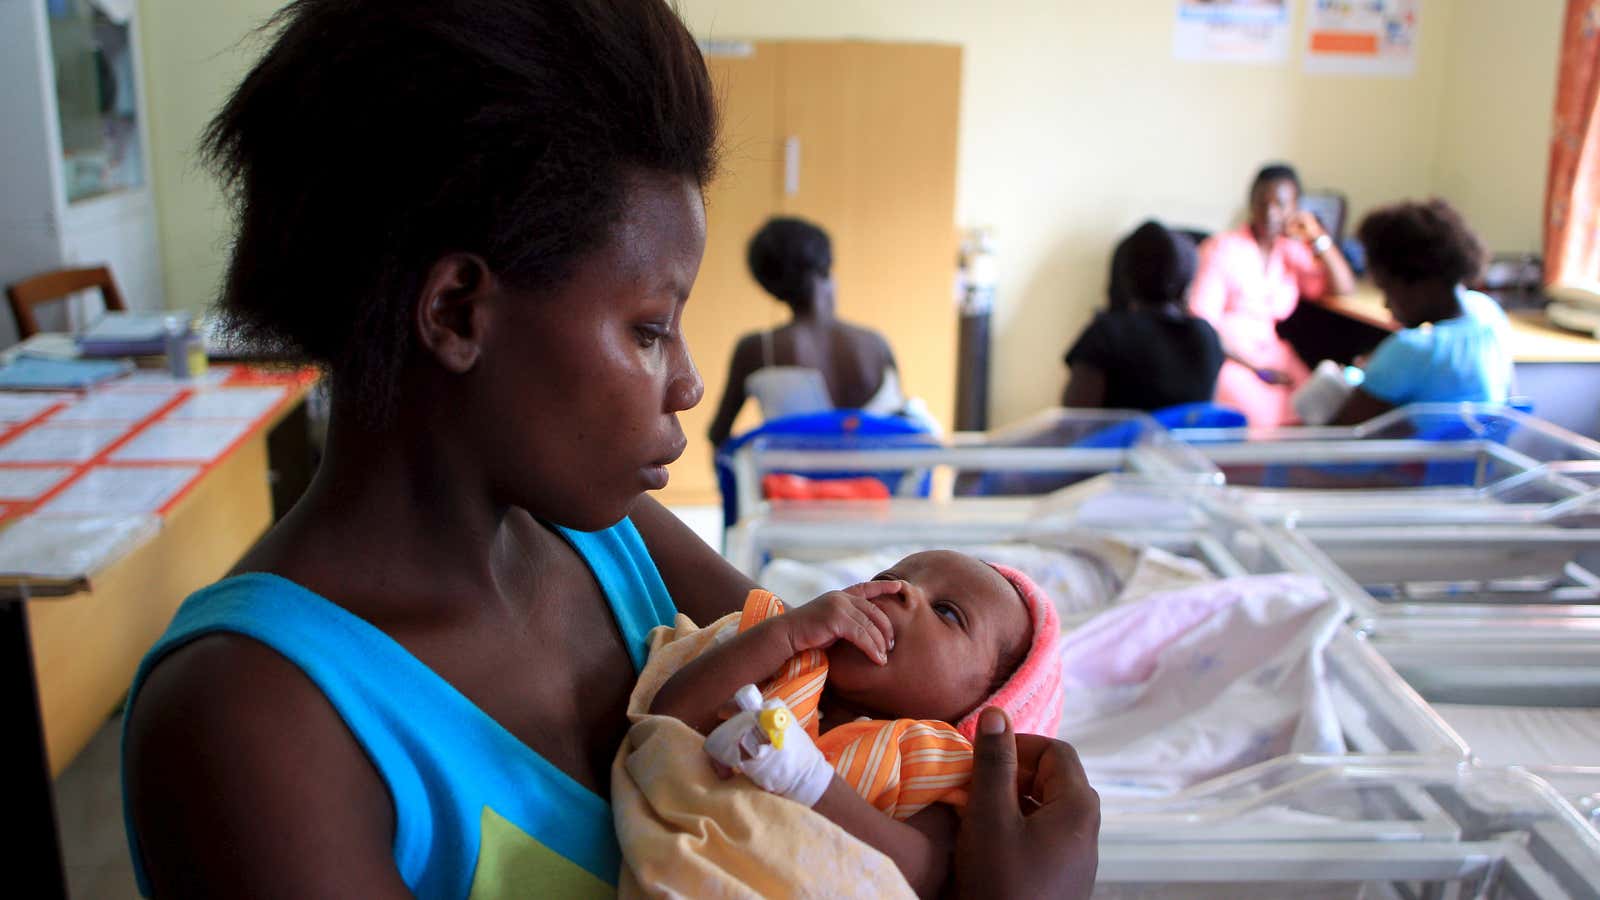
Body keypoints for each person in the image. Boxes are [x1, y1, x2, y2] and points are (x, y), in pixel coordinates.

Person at [117, 2, 1098, 898]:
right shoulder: (252, 725)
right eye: (647, 329)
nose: (688, 385)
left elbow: (857, 724)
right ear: (460, 310)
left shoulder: (615, 540)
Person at [640, 551, 1063, 897]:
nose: (903, 592)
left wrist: (807, 780)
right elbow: (666, 718)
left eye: (947, 612)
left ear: (984, 705)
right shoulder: (787, 664)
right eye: (891, 577)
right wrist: (784, 634)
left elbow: (916, 871)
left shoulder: (934, 767)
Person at [706, 217, 905, 448]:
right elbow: (904, 432)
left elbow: (718, 435)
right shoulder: (877, 345)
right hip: (881, 484)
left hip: (787, 483)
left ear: (771, 287)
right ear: (827, 269)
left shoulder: (757, 350)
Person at [1188, 163, 1357, 426]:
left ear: (1296, 207)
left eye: (1279, 204)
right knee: (1265, 424)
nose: (1269, 213)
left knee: (1324, 409)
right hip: (1230, 358)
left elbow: (1344, 288)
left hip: (1275, 355)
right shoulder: (1223, 248)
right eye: (1261, 203)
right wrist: (1255, 367)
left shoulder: (1289, 252)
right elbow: (1201, 325)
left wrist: (1317, 238)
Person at [1331, 199, 1510, 425]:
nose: (1387, 305)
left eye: (1388, 290)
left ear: (1422, 284)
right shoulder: (1488, 312)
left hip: (1419, 459)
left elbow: (1338, 437)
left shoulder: (1413, 349)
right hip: (1470, 457)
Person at [1063, 221, 1223, 411]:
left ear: (1124, 277)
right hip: (1182, 442)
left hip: (1121, 441)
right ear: (1186, 279)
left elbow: (1073, 421)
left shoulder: (1106, 334)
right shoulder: (1206, 336)